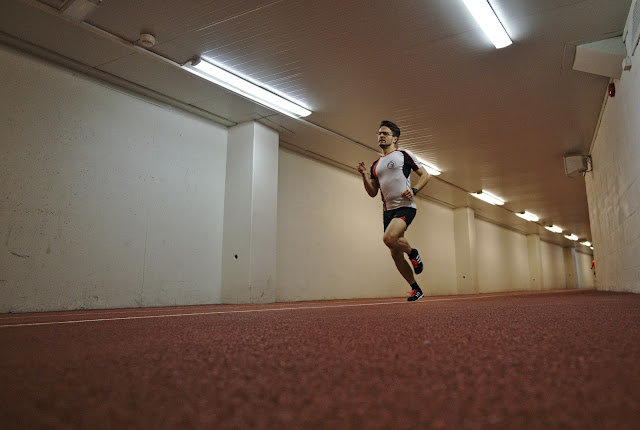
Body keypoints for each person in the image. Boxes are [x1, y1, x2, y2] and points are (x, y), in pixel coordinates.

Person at [357, 120, 431, 301]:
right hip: (388, 211)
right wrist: (364, 175)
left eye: (385, 133)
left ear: (395, 138)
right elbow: (372, 192)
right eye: (379, 133)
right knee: (394, 252)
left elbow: (425, 175)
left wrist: (414, 190)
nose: (381, 136)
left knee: (388, 239)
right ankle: (416, 289)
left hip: (405, 206)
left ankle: (413, 253)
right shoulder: (375, 165)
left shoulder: (403, 155)